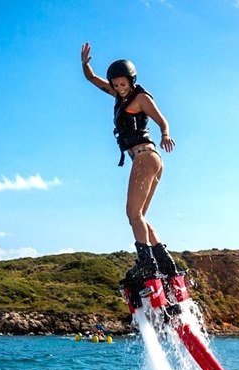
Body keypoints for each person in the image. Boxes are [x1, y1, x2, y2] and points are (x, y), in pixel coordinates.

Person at [80, 42, 180, 289]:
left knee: (132, 214)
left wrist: (166, 134)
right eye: (115, 85)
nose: (119, 88)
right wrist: (85, 65)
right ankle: (167, 266)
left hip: (145, 156)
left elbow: (162, 120)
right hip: (148, 159)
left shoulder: (140, 97)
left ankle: (147, 265)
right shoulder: (118, 96)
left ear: (132, 81)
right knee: (141, 217)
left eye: (123, 84)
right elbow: (92, 79)